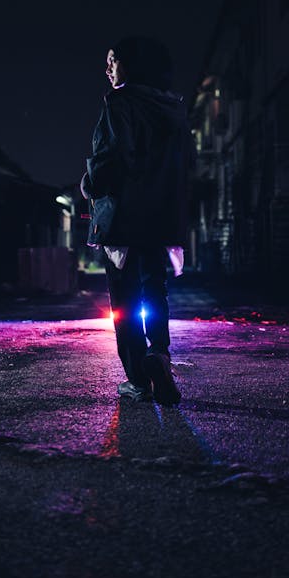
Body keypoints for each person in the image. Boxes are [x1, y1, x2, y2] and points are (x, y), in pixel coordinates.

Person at [80, 36, 194, 405]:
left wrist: (89, 183)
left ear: (130, 65)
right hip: (161, 220)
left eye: (113, 60)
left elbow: (111, 159)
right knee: (154, 290)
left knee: (125, 300)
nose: (107, 68)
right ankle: (158, 353)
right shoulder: (174, 109)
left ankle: (139, 381)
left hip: (125, 219)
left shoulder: (120, 103)